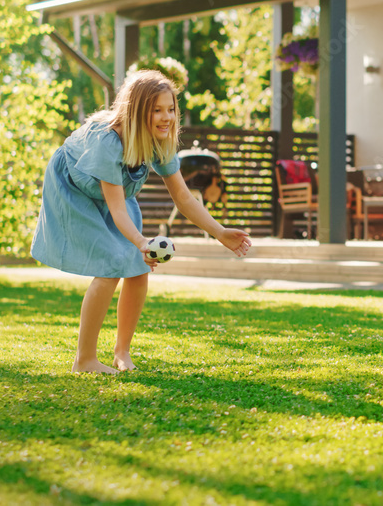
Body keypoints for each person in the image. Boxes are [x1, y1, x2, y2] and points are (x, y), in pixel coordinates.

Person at [31, 70, 251, 374]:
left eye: (171, 109)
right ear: (136, 112)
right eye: (157, 110)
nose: (167, 117)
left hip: (114, 192)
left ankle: (122, 352)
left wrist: (220, 232)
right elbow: (118, 210)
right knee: (112, 263)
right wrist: (141, 242)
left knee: (137, 266)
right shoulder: (109, 142)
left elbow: (184, 198)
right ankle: (84, 360)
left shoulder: (160, 142)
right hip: (74, 188)